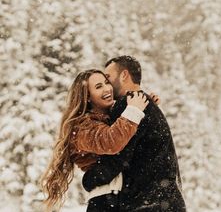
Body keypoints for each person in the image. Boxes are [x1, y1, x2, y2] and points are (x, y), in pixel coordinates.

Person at [82, 56, 187, 211]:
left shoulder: (129, 105)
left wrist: (90, 179)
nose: (108, 86)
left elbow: (117, 157)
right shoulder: (146, 104)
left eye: (108, 78)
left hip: (149, 203)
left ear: (124, 75)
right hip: (165, 200)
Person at [41, 69, 149, 212]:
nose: (107, 89)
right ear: (87, 97)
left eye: (106, 83)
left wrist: (149, 108)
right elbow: (110, 142)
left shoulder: (108, 118)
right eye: (98, 87)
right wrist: (134, 110)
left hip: (119, 196)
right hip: (105, 199)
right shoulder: (82, 127)